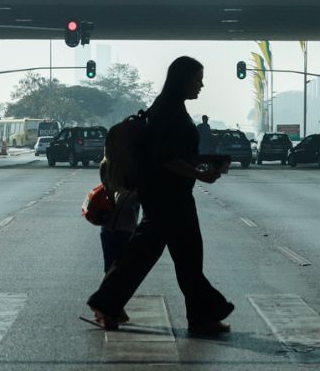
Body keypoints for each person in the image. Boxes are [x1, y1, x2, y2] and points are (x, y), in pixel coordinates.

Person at [86, 56, 234, 334]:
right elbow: (167, 158)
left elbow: (170, 154)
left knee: (148, 254)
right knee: (184, 255)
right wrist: (201, 175)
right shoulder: (171, 113)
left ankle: (107, 303)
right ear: (182, 81)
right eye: (196, 79)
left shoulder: (166, 107)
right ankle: (202, 315)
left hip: (161, 195)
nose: (201, 85)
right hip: (170, 198)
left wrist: (200, 163)